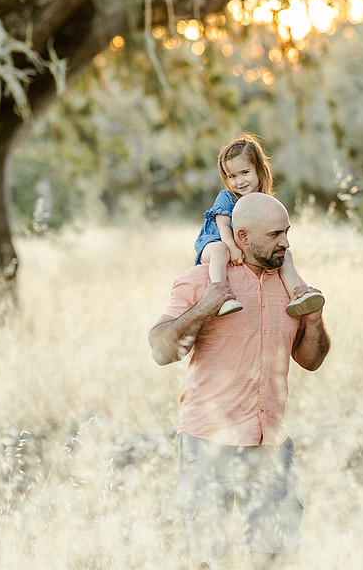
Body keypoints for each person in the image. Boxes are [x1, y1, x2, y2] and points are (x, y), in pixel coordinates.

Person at [150, 192, 332, 568]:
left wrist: (314, 322)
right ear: (243, 236)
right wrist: (206, 306)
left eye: (287, 232)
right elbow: (161, 349)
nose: (285, 242)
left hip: (271, 442)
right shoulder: (201, 279)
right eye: (275, 235)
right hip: (207, 441)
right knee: (206, 559)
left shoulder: (292, 286)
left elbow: (311, 361)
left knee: (275, 558)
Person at [194, 132, 324, 317]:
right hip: (215, 242)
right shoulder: (226, 197)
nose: (239, 181)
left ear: (259, 170)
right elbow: (222, 226)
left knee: (286, 255)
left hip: (243, 246)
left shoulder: (264, 200)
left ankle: (297, 296)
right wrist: (231, 247)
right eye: (232, 176)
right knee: (220, 251)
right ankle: (221, 297)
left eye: (245, 173)